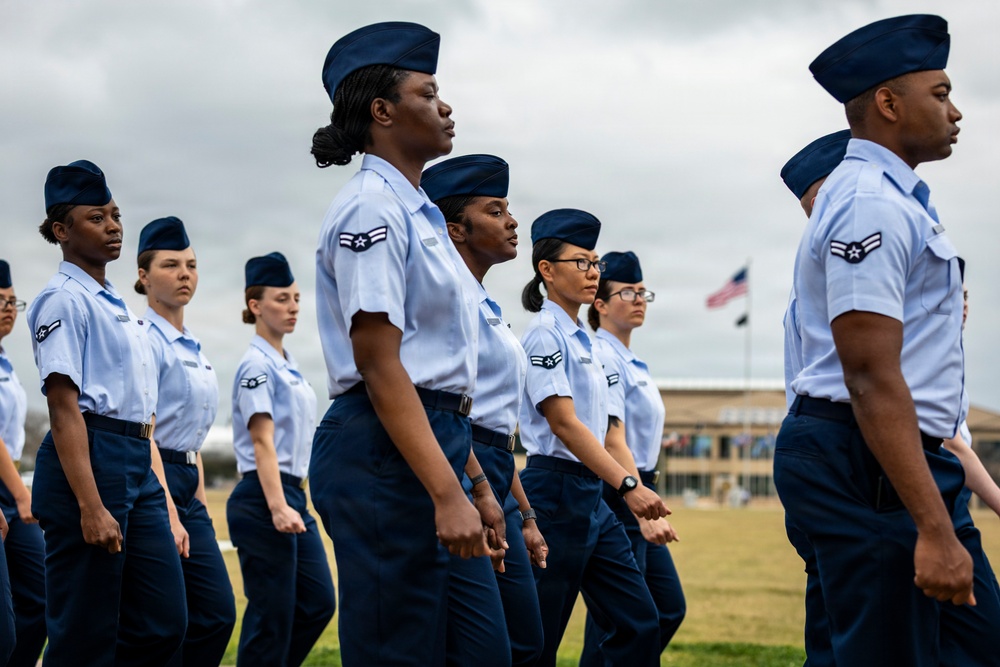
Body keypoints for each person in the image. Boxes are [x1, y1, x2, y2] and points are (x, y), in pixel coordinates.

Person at [773, 15, 1000, 665]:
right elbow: (869, 375)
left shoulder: (895, 198)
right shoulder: (869, 202)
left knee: (975, 642)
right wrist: (933, 526)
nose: (955, 112)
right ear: (888, 102)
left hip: (895, 452)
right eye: (941, 93)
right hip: (866, 455)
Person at [308, 22, 509, 667]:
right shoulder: (372, 209)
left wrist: (472, 485)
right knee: (401, 651)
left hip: (434, 444)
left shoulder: (418, 212)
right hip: (382, 455)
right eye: (429, 93)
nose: (445, 106)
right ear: (383, 111)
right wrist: (447, 493)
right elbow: (378, 361)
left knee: (483, 652)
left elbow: (449, 378)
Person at [27, 160, 186, 665]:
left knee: (163, 622)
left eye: (116, 215)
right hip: (90, 459)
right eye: (96, 217)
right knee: (84, 634)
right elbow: (63, 406)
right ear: (61, 230)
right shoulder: (61, 300)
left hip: (135, 458)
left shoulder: (113, 302)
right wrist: (90, 506)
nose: (114, 226)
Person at [518, 209, 668, 667]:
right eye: (581, 262)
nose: (593, 273)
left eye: (596, 263)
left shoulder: (584, 339)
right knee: (541, 638)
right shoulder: (545, 335)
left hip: (590, 497)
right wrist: (629, 485)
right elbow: (565, 424)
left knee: (640, 622)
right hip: (555, 492)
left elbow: (601, 429)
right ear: (547, 270)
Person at [423, 154, 548, 667]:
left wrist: (524, 513)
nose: (512, 221)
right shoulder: (451, 301)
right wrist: (476, 490)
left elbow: (501, 427)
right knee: (477, 645)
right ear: (455, 229)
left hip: (493, 469)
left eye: (508, 209)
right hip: (460, 464)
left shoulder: (486, 306)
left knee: (525, 639)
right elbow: (454, 415)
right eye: (495, 211)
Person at [226, 252, 335, 667]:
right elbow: (262, 441)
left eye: (296, 299)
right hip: (263, 497)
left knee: (317, 602)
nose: (292, 308)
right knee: (271, 615)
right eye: (281, 299)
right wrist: (276, 506)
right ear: (255, 305)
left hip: (291, 493)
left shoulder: (287, 364)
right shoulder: (256, 364)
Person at [136, 217, 236, 666]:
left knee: (216, 613)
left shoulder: (193, 345)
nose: (184, 274)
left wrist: (195, 505)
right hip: (152, 480)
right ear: (144, 276)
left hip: (187, 480)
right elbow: (148, 433)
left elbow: (193, 438)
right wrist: (171, 511)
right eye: (171, 265)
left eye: (191, 265)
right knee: (165, 621)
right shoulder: (143, 340)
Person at [580, 250, 685, 666]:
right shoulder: (603, 355)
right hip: (622, 491)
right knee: (620, 621)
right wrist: (637, 500)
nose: (640, 299)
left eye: (643, 292)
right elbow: (611, 437)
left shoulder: (630, 360)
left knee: (662, 610)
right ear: (600, 304)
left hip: (641, 489)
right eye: (628, 291)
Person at [0, 259, 45, 667]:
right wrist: (20, 492)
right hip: (8, 486)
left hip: (10, 477)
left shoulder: (6, 363)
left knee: (41, 596)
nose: (8, 308)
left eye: (13, 301)